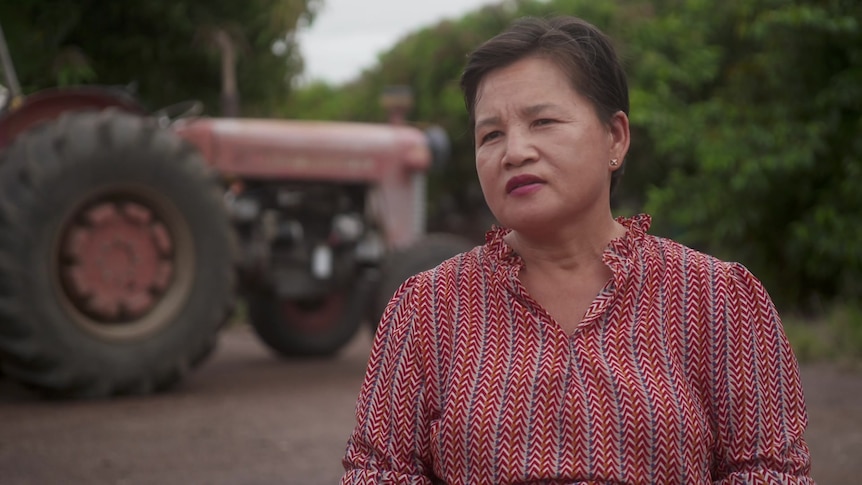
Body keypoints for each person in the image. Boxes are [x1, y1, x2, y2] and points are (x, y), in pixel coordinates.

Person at [341, 15, 813, 484]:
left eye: (542, 121)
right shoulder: (428, 308)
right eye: (491, 135)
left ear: (616, 137)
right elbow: (378, 472)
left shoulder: (716, 298)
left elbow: (771, 471)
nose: (514, 151)